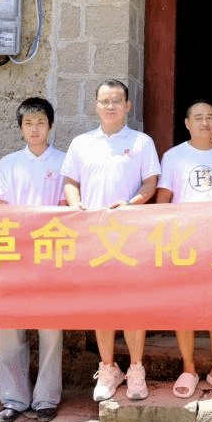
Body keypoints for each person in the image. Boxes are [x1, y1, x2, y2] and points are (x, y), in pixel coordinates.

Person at [62, 79, 161, 402]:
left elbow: (150, 183)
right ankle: (108, 368)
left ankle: (136, 369)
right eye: (104, 101)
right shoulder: (81, 143)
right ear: (96, 105)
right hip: (94, 236)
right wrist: (76, 205)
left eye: (117, 100)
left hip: (131, 235)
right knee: (101, 304)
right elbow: (71, 181)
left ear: (128, 105)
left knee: (133, 305)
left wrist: (131, 204)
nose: (110, 106)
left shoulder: (142, 142)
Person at [156, 100, 212, 399]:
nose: (204, 123)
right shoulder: (173, 156)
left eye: (210, 117)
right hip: (184, 242)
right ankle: (189, 368)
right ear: (186, 123)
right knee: (185, 306)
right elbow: (163, 198)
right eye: (198, 118)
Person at [0, 97, 65, 422]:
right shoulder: (9, 164)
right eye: (28, 123)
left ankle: (46, 397)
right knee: (10, 328)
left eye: (40, 122)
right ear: (20, 128)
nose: (35, 129)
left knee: (51, 330)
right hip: (13, 254)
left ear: (50, 125)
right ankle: (14, 398)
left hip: (50, 252)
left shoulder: (64, 162)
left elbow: (67, 206)